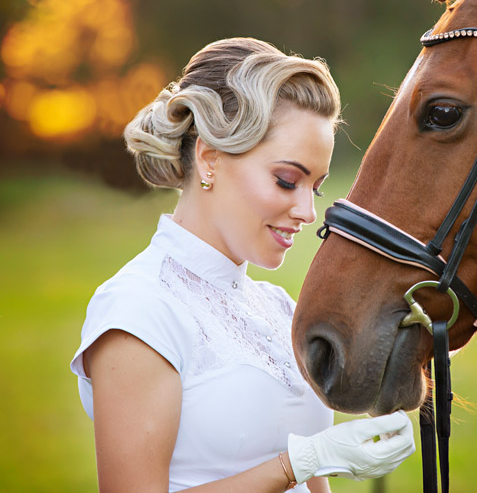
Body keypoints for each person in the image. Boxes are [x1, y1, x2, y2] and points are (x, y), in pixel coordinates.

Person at [70, 37, 415, 492]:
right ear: (210, 159)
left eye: (315, 187)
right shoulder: (140, 310)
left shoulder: (278, 308)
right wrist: (298, 463)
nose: (307, 213)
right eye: (287, 180)